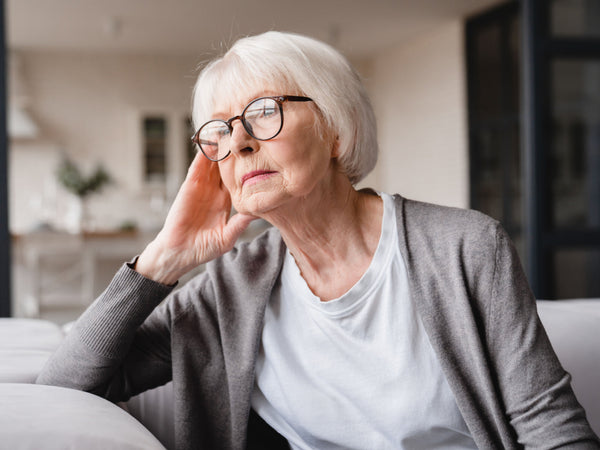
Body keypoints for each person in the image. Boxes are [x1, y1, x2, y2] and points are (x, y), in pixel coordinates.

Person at [37, 31, 599, 450]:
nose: (240, 144)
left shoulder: (464, 248)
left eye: (263, 114)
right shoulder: (228, 289)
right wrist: (160, 261)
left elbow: (555, 432)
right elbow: (62, 388)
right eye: (219, 132)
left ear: (335, 128)